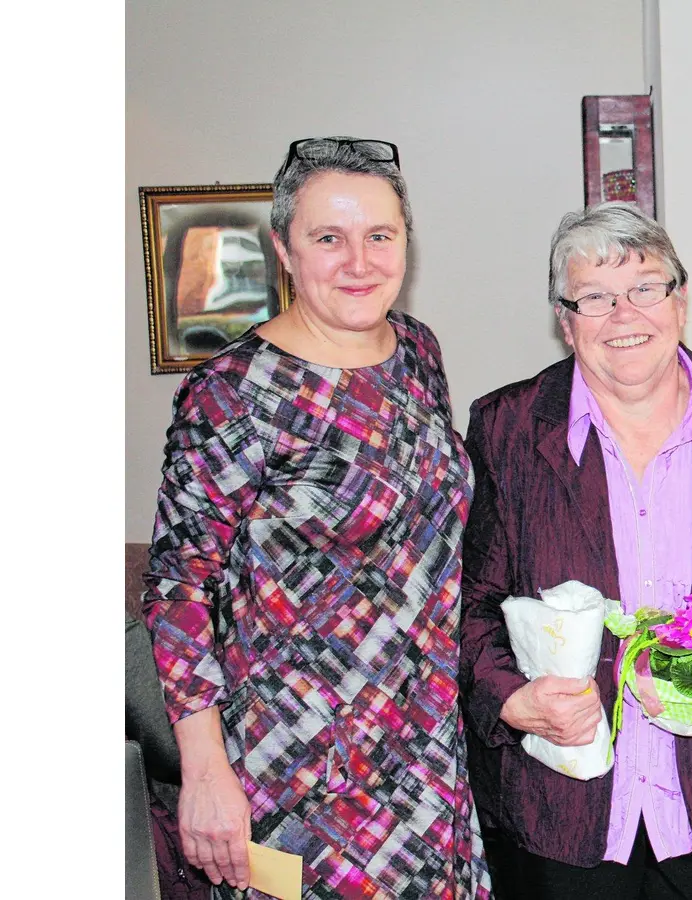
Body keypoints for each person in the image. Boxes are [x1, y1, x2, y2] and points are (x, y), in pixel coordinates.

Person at [142, 137, 491, 898]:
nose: (358, 261)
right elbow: (178, 588)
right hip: (297, 765)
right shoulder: (232, 391)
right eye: (328, 237)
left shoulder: (417, 355)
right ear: (284, 250)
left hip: (427, 753)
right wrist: (203, 770)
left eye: (380, 235)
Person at [457, 202, 692, 900]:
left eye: (646, 287)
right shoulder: (506, 428)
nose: (625, 315)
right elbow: (470, 604)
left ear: (681, 301)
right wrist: (513, 698)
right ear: (566, 321)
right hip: (562, 804)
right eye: (595, 297)